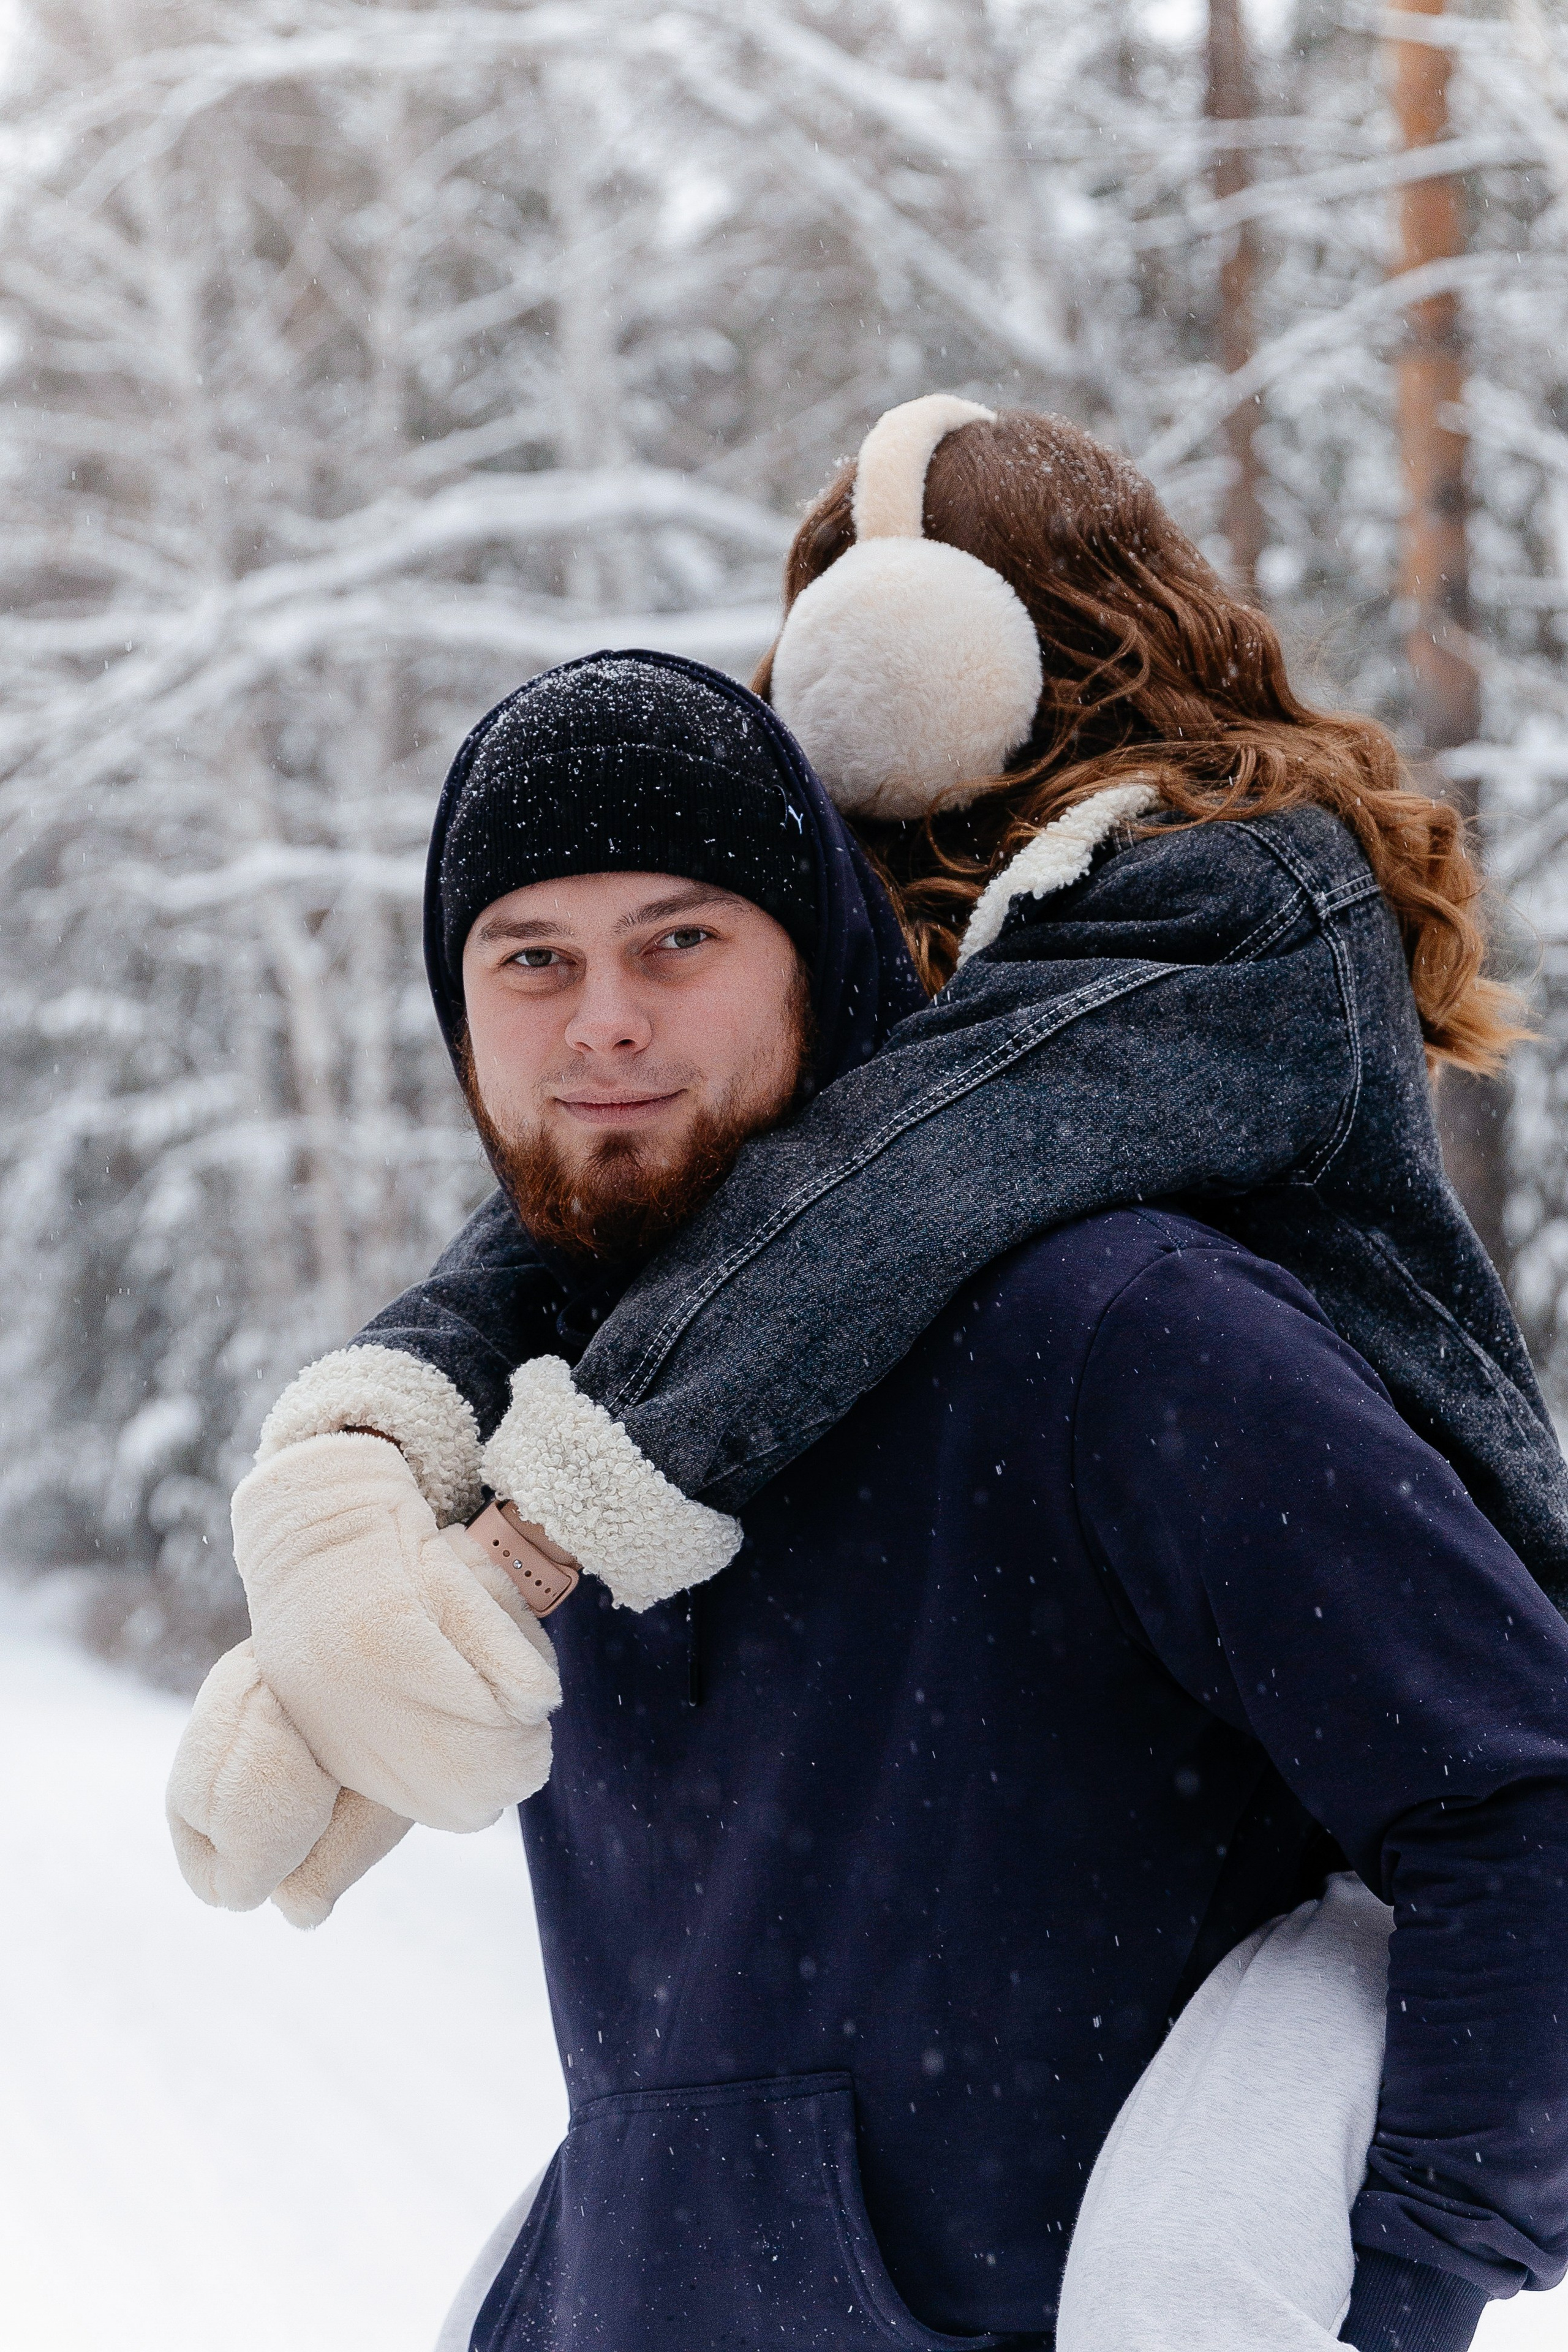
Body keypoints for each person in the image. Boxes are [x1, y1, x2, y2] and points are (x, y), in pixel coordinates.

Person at [169, 652, 1568, 2352]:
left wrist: (1398, 2288)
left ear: (820, 969)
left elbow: (1525, 1799)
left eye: (679, 942)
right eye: (532, 960)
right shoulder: (545, 1423)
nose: (602, 1017)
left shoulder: (1112, 1332)